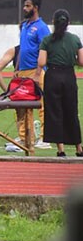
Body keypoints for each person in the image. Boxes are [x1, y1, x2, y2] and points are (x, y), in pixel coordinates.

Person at [36, 9, 83, 157]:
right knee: (71, 111)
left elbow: (42, 62)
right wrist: (71, 60)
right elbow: (81, 61)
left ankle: (60, 149)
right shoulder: (75, 39)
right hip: (69, 75)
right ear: (68, 23)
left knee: (54, 112)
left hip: (53, 76)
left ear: (53, 22)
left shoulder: (47, 40)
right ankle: (78, 148)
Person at [17, 0, 51, 149]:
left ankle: (46, 138)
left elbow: (45, 50)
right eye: (25, 5)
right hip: (22, 71)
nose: (25, 8)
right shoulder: (24, 25)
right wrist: (16, 70)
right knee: (21, 106)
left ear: (36, 8)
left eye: (28, 6)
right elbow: (21, 48)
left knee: (41, 105)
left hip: (36, 71)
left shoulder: (42, 27)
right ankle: (25, 137)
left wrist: (38, 72)